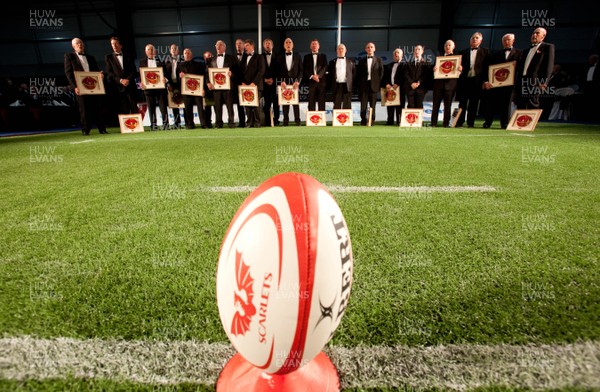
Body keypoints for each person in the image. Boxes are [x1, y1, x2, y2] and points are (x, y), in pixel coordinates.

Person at [64, 37, 108, 135]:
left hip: (94, 86)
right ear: (73, 46)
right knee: (84, 109)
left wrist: (100, 75)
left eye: (81, 43)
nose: (80, 45)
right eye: (78, 43)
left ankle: (102, 129)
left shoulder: (91, 57)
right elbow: (68, 73)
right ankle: (85, 130)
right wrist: (75, 87)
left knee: (97, 108)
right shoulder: (69, 56)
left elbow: (96, 71)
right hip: (80, 87)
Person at [481, 33, 522, 129]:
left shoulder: (520, 53)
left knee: (507, 104)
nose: (506, 42)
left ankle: (505, 123)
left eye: (508, 40)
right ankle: (487, 122)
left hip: (510, 84)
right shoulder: (495, 54)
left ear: (513, 41)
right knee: (491, 103)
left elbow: (522, 69)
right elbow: (487, 68)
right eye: (504, 40)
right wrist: (486, 81)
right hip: (495, 84)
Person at [456, 32, 490, 127]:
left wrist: (486, 80)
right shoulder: (463, 52)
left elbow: (487, 67)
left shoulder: (486, 52)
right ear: (470, 40)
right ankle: (459, 122)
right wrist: (459, 68)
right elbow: (457, 65)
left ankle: (470, 123)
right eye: (473, 37)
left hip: (477, 81)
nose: (474, 39)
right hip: (464, 81)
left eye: (477, 38)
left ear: (480, 40)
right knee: (462, 102)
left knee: (474, 103)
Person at [516, 27, 555, 110]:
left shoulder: (548, 47)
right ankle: (521, 123)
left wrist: (544, 82)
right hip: (522, 81)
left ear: (543, 36)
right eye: (533, 33)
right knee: (521, 104)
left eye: (537, 33)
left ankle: (531, 123)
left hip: (535, 82)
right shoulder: (525, 51)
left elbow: (549, 66)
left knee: (533, 103)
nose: (534, 35)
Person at [206, 40, 238, 128]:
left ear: (225, 47)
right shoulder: (211, 60)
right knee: (217, 107)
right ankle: (218, 123)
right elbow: (207, 73)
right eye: (217, 45)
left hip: (228, 87)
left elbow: (237, 72)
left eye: (220, 45)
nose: (218, 47)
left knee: (229, 106)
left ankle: (231, 123)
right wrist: (208, 83)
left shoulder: (231, 58)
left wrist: (232, 74)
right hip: (216, 88)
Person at [431, 40, 462, 127]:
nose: (447, 47)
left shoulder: (457, 59)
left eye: (449, 45)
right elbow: (433, 72)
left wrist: (460, 70)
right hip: (438, 85)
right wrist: (434, 70)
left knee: (447, 105)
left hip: (450, 85)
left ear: (453, 47)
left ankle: (446, 123)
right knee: (435, 105)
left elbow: (459, 73)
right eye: (446, 45)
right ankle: (433, 123)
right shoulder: (438, 58)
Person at [104, 36, 138, 117]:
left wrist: (127, 80)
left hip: (130, 86)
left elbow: (133, 71)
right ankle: (126, 128)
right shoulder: (108, 57)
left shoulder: (129, 56)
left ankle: (137, 127)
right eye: (112, 44)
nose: (114, 46)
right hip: (118, 87)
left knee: (134, 107)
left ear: (121, 45)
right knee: (123, 109)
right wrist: (120, 80)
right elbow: (109, 73)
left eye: (116, 44)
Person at [139, 44, 169, 130]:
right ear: (145, 51)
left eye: (152, 49)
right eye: (149, 49)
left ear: (155, 51)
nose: (151, 51)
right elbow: (141, 75)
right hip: (148, 89)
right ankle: (153, 125)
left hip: (160, 88)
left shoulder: (161, 61)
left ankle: (166, 124)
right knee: (151, 108)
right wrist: (141, 83)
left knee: (163, 107)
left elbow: (166, 73)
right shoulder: (142, 62)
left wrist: (165, 79)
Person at [178, 48, 207, 129]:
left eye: (188, 53)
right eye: (185, 53)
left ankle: (203, 124)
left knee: (200, 107)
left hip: (197, 89)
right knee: (188, 107)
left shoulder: (198, 64)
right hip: (186, 90)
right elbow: (177, 79)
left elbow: (202, 77)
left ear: (191, 54)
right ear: (183, 55)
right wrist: (180, 77)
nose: (187, 54)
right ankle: (190, 124)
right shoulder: (180, 65)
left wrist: (203, 89)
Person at [277, 38, 303, 126]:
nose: (288, 44)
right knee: (285, 102)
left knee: (295, 103)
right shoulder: (279, 57)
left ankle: (297, 121)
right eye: (286, 42)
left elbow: (301, 71)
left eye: (290, 42)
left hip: (295, 82)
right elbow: (278, 71)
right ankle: (285, 121)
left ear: (293, 45)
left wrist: (298, 81)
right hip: (284, 82)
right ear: (284, 45)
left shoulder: (298, 56)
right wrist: (282, 81)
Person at [240, 39, 265, 128]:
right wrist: (242, 82)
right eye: (245, 46)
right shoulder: (243, 57)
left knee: (255, 105)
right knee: (247, 105)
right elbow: (241, 71)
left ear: (252, 46)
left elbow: (261, 71)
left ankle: (257, 123)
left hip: (256, 85)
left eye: (247, 45)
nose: (245, 47)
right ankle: (249, 123)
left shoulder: (259, 56)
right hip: (245, 86)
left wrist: (254, 83)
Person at [357, 42, 384, 125]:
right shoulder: (361, 61)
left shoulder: (379, 60)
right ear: (365, 49)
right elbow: (358, 74)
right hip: (364, 86)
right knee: (363, 105)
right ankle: (363, 120)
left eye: (371, 47)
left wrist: (378, 84)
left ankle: (371, 121)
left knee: (373, 104)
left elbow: (381, 73)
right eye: (368, 47)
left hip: (374, 86)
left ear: (374, 49)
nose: (370, 49)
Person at [303, 39, 328, 111]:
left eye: (315, 44)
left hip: (321, 82)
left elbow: (325, 67)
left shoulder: (323, 56)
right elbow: (304, 68)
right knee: (311, 101)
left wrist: (318, 75)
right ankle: (312, 120)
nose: (314, 45)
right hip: (311, 82)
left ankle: (322, 120)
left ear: (318, 46)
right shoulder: (306, 57)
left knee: (321, 101)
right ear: (310, 46)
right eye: (312, 44)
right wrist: (312, 76)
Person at [328, 43, 355, 110]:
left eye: (342, 48)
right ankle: (336, 120)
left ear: (345, 50)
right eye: (339, 49)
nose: (340, 50)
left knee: (347, 104)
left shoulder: (351, 61)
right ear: (336, 51)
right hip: (337, 85)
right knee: (336, 104)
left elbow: (354, 73)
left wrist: (350, 82)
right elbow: (330, 75)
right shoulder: (332, 62)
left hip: (347, 85)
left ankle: (347, 120)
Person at [403, 44, 432, 109]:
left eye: (419, 49)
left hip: (421, 89)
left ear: (422, 51)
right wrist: (411, 83)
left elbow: (426, 75)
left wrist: (419, 82)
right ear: (413, 52)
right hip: (410, 88)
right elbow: (406, 75)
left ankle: (419, 119)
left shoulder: (427, 64)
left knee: (419, 106)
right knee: (410, 106)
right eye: (415, 49)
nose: (417, 51)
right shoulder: (408, 63)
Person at [381, 48, 404, 125]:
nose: (396, 54)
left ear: (401, 55)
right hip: (390, 88)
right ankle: (390, 121)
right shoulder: (388, 66)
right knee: (390, 105)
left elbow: (405, 77)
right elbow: (384, 77)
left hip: (400, 89)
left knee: (400, 106)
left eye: (398, 53)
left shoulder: (405, 65)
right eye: (395, 53)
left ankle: (399, 121)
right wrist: (387, 84)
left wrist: (397, 84)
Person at [262, 38, 280, 126]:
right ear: (263, 45)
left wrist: (273, 79)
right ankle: (267, 121)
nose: (267, 45)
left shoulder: (278, 56)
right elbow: (259, 71)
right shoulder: (260, 56)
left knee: (276, 104)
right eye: (266, 43)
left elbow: (280, 70)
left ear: (272, 46)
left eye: (269, 43)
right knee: (266, 103)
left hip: (275, 84)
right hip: (264, 85)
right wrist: (265, 80)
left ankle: (276, 120)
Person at [165, 44, 184, 129]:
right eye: (172, 48)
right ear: (170, 50)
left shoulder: (183, 59)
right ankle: (177, 123)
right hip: (171, 84)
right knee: (174, 104)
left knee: (184, 103)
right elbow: (164, 74)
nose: (173, 49)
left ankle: (187, 122)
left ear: (178, 51)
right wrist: (168, 84)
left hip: (181, 84)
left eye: (175, 48)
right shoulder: (166, 60)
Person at [234, 38, 247, 127]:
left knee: (249, 103)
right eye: (237, 44)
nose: (238, 45)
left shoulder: (248, 56)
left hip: (247, 83)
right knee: (239, 104)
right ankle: (242, 122)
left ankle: (251, 121)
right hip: (236, 84)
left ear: (243, 45)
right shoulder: (232, 57)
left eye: (240, 43)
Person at [203, 51, 214, 128]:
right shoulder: (201, 67)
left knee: (217, 107)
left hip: (215, 89)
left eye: (209, 56)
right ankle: (208, 123)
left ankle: (218, 122)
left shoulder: (216, 65)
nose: (208, 57)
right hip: (206, 90)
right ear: (204, 58)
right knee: (207, 108)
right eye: (207, 56)